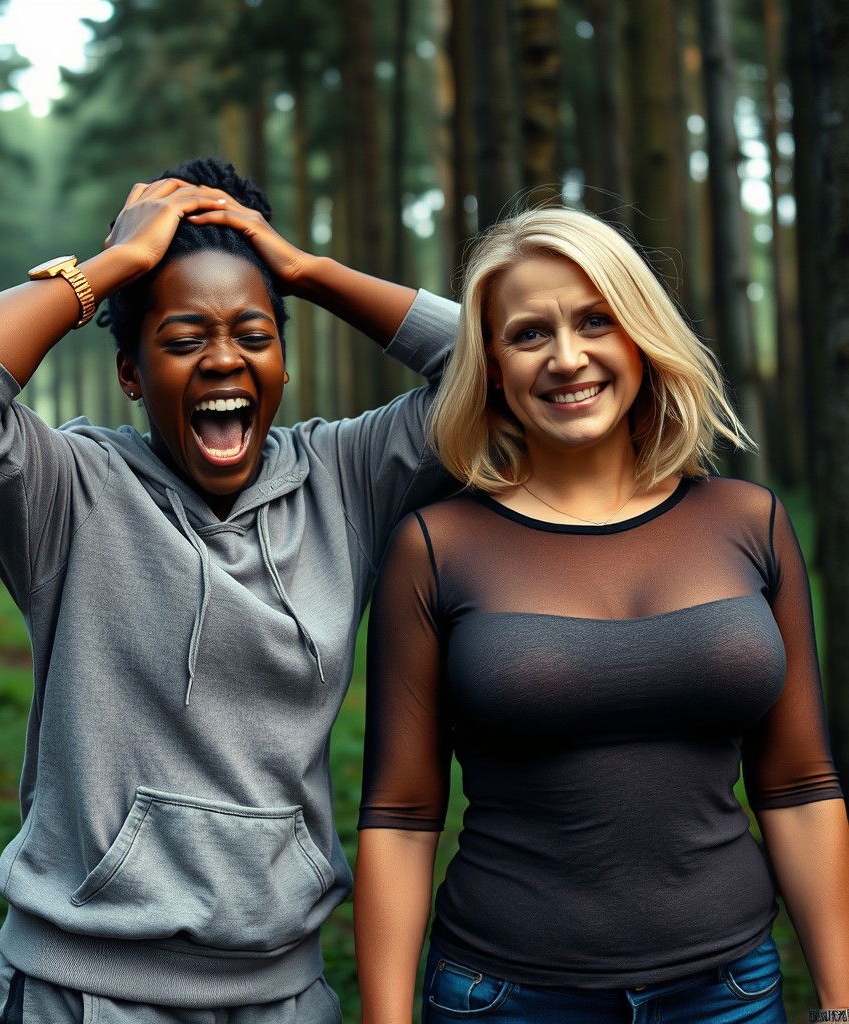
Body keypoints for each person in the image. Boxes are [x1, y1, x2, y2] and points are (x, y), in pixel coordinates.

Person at [0, 157, 460, 1024]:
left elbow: (497, 375)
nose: (223, 359)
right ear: (130, 372)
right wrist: (109, 268)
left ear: (284, 362)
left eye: (254, 335)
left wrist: (303, 269)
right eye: (184, 340)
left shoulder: (346, 477)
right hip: (86, 992)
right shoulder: (68, 492)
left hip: (284, 994)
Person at [354, 206, 849, 1024]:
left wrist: (838, 1004)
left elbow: (798, 783)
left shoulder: (748, 521)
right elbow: (402, 817)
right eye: (529, 334)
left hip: (728, 994)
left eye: (596, 321)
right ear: (493, 367)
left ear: (642, 338)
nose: (568, 357)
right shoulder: (436, 546)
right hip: (505, 998)